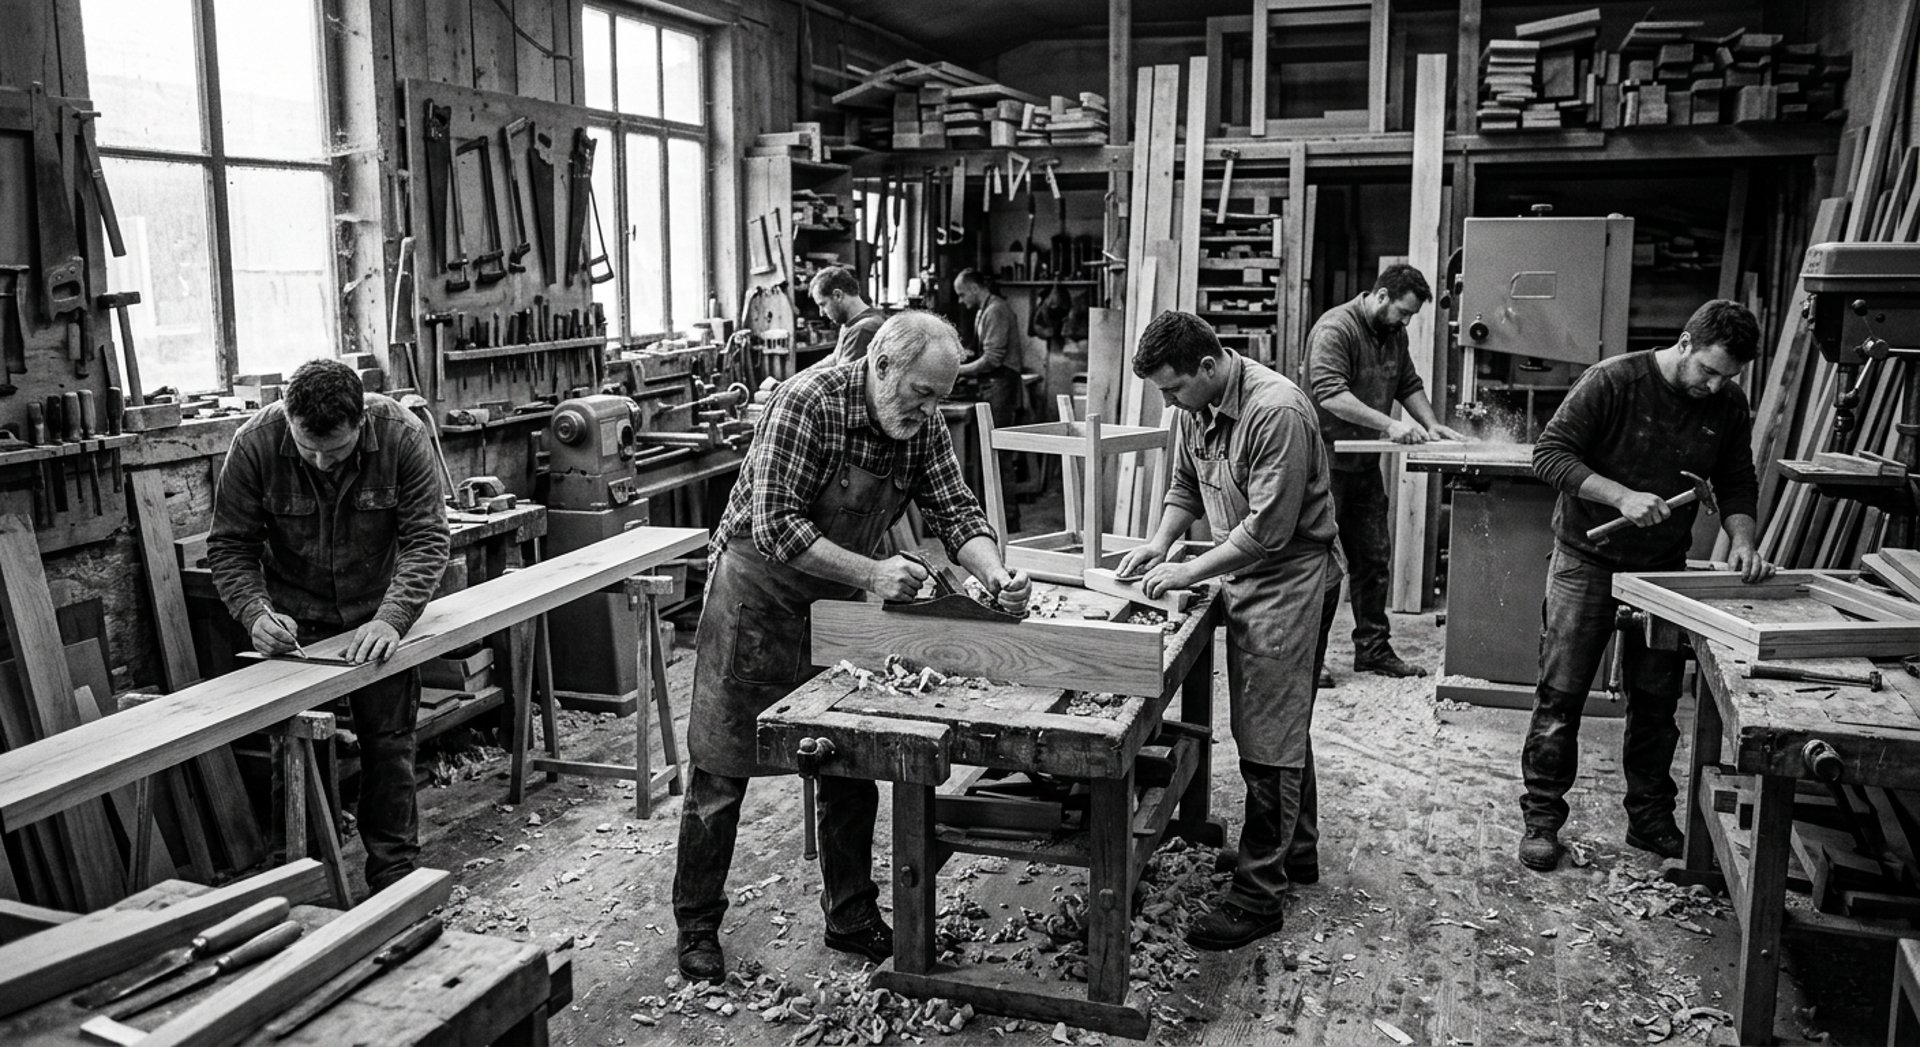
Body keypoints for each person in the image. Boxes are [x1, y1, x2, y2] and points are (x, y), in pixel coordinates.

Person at [674, 311, 1031, 981]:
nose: (930, 410)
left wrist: (995, 573)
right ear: (883, 367)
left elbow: (955, 509)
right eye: (922, 393)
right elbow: (775, 525)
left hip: (834, 610)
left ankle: (850, 915)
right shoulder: (808, 402)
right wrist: (872, 572)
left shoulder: (919, 423)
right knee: (722, 769)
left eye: (941, 397)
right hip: (758, 598)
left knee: (846, 762)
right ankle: (697, 924)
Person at [1520, 299, 1770, 872]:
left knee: (1658, 703)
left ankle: (1650, 818)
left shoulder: (1727, 401)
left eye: (1725, 376)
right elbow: (1549, 455)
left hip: (1661, 569)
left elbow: (1735, 479)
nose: (1713, 385)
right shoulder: (1613, 382)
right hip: (1587, 558)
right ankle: (1541, 819)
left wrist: (1743, 539)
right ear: (1684, 342)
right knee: (1561, 696)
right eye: (1707, 370)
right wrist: (1620, 496)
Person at [1116, 311, 1337, 951]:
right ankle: (1295, 854)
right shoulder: (1198, 405)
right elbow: (1186, 485)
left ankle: (1259, 894)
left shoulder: (1278, 412)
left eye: (1172, 389)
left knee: (1267, 732)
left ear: (1208, 367)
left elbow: (1268, 531)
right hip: (1245, 574)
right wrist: (1160, 545)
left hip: (1292, 575)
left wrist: (1189, 570)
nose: (1169, 402)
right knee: (1278, 719)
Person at [207, 358, 449, 894]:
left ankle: (394, 877)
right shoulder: (254, 444)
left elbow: (428, 539)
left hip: (377, 616)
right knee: (295, 752)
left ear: (360, 420)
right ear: (288, 418)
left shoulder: (402, 437)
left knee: (387, 746)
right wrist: (254, 613)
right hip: (296, 625)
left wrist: (394, 617)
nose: (319, 461)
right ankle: (300, 878)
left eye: (334, 451)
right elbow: (230, 546)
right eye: (307, 447)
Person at [1307, 264, 1467, 681]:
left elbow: (1408, 384)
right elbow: (1330, 395)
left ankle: (1373, 649)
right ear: (1380, 296)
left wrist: (1430, 424)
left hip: (1363, 467)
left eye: (1411, 315)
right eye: (1403, 312)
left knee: (1373, 559)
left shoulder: (1393, 334)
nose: (1406, 321)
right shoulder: (1335, 330)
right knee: (1320, 566)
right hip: (1324, 467)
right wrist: (1391, 425)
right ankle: (1308, 656)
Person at [953, 268, 1024, 530]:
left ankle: (1008, 520)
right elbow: (983, 351)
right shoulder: (985, 310)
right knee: (990, 453)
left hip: (1001, 384)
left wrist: (957, 371)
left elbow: (993, 358)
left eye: (962, 294)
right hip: (992, 384)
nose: (961, 300)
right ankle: (995, 517)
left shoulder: (996, 309)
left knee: (998, 452)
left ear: (974, 288)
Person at [806, 265, 885, 370]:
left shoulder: (864, 329)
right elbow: (834, 359)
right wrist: (799, 377)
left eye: (823, 305)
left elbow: (841, 376)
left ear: (838, 295)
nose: (821, 313)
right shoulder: (850, 323)